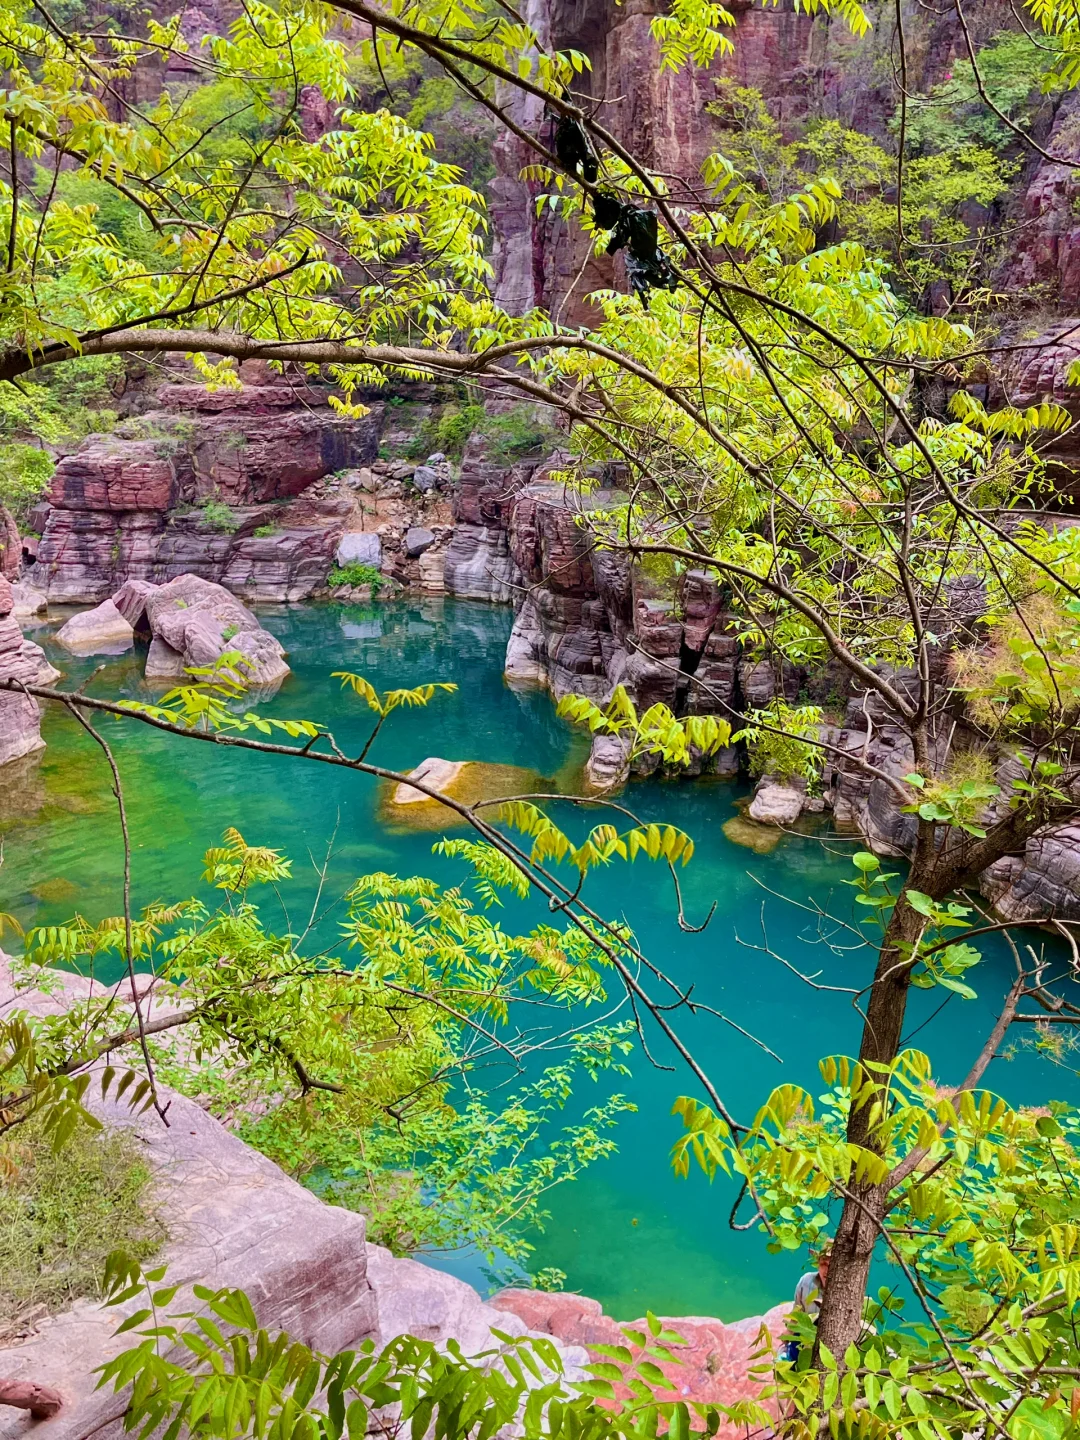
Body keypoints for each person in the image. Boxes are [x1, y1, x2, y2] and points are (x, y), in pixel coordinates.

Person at [778, 1246, 831, 1365]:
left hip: (829, 1347)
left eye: (832, 1265)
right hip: (804, 1338)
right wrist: (789, 1332)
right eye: (823, 1264)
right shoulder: (806, 1282)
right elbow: (798, 1313)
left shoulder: (847, 1292)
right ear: (818, 1263)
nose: (827, 1270)